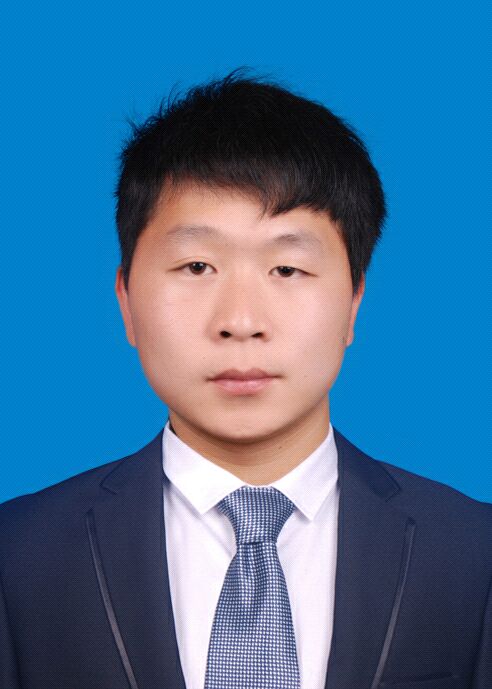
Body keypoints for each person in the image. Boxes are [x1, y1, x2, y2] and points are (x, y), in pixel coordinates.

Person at [0, 68, 490, 689]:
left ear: (353, 303)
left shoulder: (473, 554)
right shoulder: (19, 554)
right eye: (196, 266)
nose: (240, 322)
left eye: (286, 269)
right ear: (126, 301)